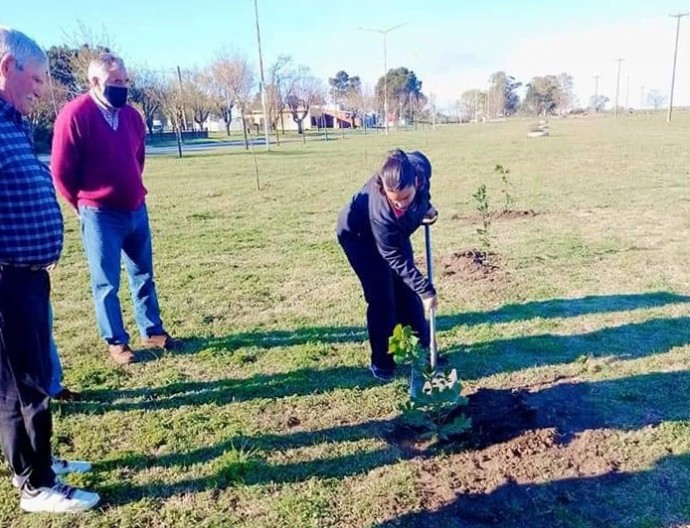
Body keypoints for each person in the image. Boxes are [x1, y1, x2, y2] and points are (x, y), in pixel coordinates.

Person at [0, 26, 99, 512]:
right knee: (25, 384)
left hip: (28, 277)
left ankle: (37, 463)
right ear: (6, 68)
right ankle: (36, 485)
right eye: (36, 80)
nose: (42, 90)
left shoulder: (12, 123)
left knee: (31, 374)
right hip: (6, 280)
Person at [51, 52, 182, 365]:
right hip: (99, 214)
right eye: (115, 82)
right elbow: (61, 172)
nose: (122, 87)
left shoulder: (133, 117)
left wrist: (132, 190)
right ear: (95, 82)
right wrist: (82, 206)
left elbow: (137, 159)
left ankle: (152, 330)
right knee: (106, 283)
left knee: (143, 275)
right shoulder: (75, 114)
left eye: (125, 81)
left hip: (136, 209)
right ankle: (116, 342)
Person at [337, 149, 438, 381]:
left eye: (406, 197)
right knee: (383, 299)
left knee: (407, 292)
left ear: (415, 180)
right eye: (396, 200)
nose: (402, 204)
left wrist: (425, 204)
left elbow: (423, 183)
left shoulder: (419, 167)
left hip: (394, 235)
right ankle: (382, 362)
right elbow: (393, 257)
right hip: (360, 238)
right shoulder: (381, 211)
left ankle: (423, 352)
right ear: (384, 189)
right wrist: (426, 290)